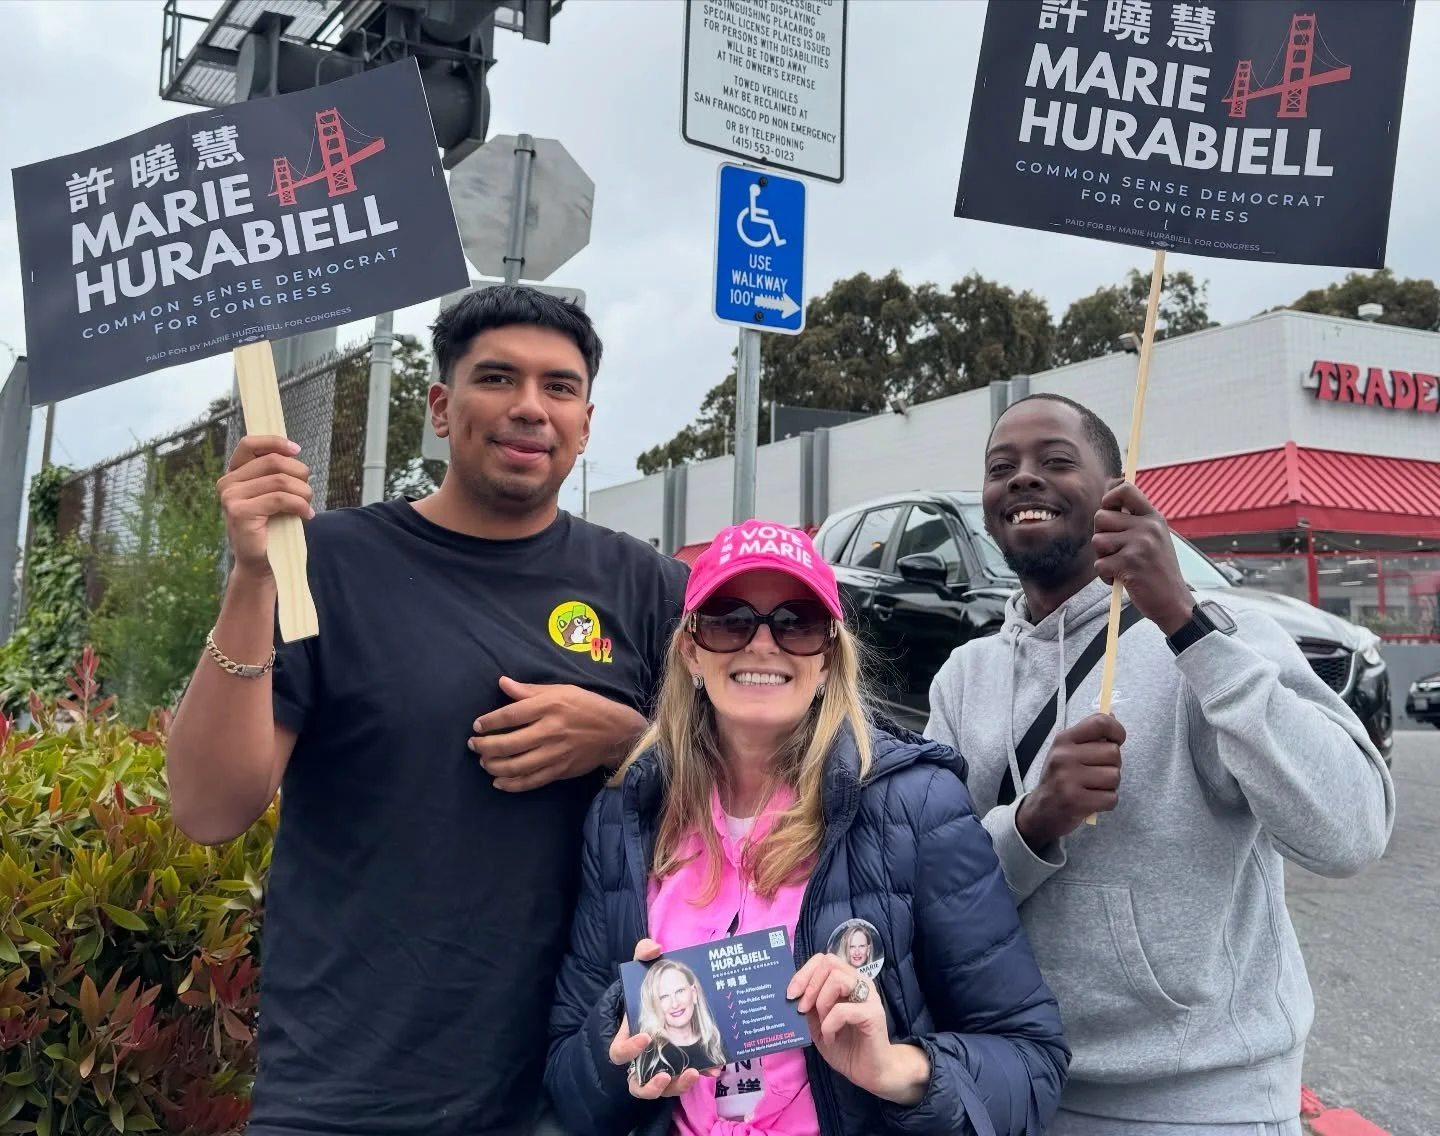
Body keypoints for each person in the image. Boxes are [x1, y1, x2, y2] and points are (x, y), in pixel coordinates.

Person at [164, 286, 690, 1136]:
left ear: (585, 423)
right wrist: (253, 578)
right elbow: (209, 808)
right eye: (497, 379)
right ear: (441, 408)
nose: (529, 407)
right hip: (351, 1088)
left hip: (582, 1083)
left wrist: (626, 737)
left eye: (558, 388)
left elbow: (748, 796)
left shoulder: (647, 586)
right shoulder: (324, 562)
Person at [924, 393, 1395, 1135]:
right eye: (1000, 468)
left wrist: (1183, 620)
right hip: (1015, 1083)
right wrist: (1030, 824)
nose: (1022, 479)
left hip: (1206, 1103)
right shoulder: (964, 677)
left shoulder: (1225, 633)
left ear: (1115, 492)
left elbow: (1350, 830)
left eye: (1054, 461)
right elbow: (936, 888)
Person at [544, 521, 1069, 1136]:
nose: (762, 644)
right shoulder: (626, 814)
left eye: (797, 622)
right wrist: (617, 1045)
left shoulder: (916, 807)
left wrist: (897, 1069)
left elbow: (1032, 1060)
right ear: (691, 650)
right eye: (727, 618)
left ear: (828, 657)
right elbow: (566, 1077)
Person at [634, 960, 728, 1082]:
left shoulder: (715, 1043)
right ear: (654, 1005)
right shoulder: (652, 1056)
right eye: (663, 997)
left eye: (680, 991)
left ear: (694, 993)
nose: (675, 1004)